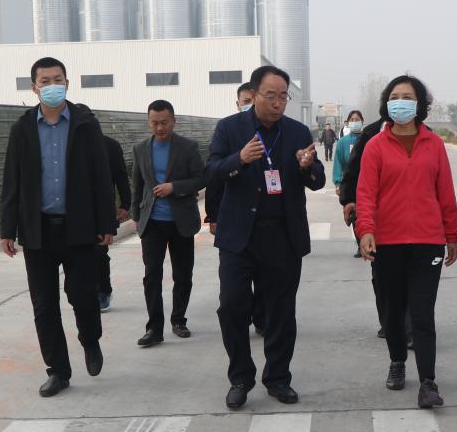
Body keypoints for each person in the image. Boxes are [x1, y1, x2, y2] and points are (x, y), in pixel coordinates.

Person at [206, 65, 325, 410]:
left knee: (281, 312)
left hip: (282, 238)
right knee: (231, 307)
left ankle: (278, 378)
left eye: (283, 96)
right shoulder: (230, 129)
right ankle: (241, 377)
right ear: (254, 95)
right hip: (239, 238)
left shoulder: (297, 132)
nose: (277, 102)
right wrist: (239, 159)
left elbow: (317, 180)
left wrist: (307, 166)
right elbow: (212, 171)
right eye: (270, 95)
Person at [0, 57, 116, 398]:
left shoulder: (85, 125)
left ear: (67, 83)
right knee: (44, 305)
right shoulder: (22, 129)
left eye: (57, 79)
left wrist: (106, 222)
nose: (52, 86)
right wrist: (7, 228)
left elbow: (101, 176)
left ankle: (90, 339)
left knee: (83, 295)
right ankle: (58, 371)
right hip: (38, 230)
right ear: (33, 87)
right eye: (45, 81)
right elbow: (12, 180)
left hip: (78, 227)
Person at [356, 75, 457, 409]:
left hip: (428, 242)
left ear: (420, 105)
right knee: (393, 310)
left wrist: (452, 234)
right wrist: (366, 231)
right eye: (395, 97)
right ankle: (397, 361)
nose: (400, 102)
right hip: (388, 242)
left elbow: (445, 192)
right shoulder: (375, 146)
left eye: (408, 97)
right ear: (386, 103)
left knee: (422, 313)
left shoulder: (434, 144)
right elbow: (366, 193)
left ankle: (428, 381)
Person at [130, 99, 207, 346]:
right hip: (152, 222)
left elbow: (201, 179)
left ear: (174, 121)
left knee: (182, 275)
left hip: (180, 221)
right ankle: (154, 329)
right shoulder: (141, 148)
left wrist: (174, 187)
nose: (160, 128)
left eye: (164, 122)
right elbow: (137, 185)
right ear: (149, 122)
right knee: (151, 275)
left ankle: (178, 320)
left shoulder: (188, 147)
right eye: (154, 123)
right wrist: (136, 215)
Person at [340, 112, 415, 343]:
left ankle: (410, 329)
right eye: (396, 97)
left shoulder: (425, 135)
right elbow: (353, 169)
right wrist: (349, 200)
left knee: (412, 275)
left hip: (413, 219)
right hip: (377, 218)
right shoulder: (371, 134)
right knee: (382, 275)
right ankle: (389, 322)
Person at [205, 82, 265, 336]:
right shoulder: (227, 129)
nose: (249, 105)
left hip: (269, 228)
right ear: (238, 103)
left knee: (267, 290)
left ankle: (262, 318)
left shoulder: (280, 129)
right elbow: (213, 175)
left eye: (253, 99)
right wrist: (213, 215)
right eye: (245, 101)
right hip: (234, 226)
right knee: (232, 298)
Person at [96, 134, 132, 312]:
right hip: (72, 210)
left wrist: (125, 203)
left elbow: (120, 175)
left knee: (99, 252)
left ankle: (103, 291)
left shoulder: (110, 145)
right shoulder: (65, 143)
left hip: (101, 208)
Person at [333, 109, 364, 256]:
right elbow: (338, 163)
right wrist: (338, 183)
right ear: (347, 122)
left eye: (357, 119)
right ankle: (360, 244)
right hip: (349, 183)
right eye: (352, 120)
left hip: (365, 181)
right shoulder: (343, 142)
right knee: (353, 215)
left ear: (362, 122)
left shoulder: (368, 139)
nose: (355, 122)